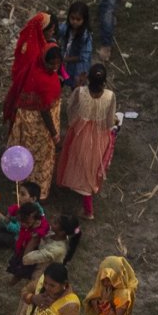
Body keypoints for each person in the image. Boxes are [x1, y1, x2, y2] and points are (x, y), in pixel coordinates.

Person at [54, 65, 118, 213]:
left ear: (88, 78)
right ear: (104, 81)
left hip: (79, 133)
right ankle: (87, 198)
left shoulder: (80, 92)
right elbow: (109, 121)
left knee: (77, 158)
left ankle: (75, 182)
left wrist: (74, 123)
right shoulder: (110, 96)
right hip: (100, 135)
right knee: (92, 163)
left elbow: (71, 109)